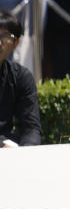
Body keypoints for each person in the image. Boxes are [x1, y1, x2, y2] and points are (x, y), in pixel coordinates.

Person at [0, 11, 40, 147]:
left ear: (16, 43)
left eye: (5, 37)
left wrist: (25, 153)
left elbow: (31, 128)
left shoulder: (21, 77)